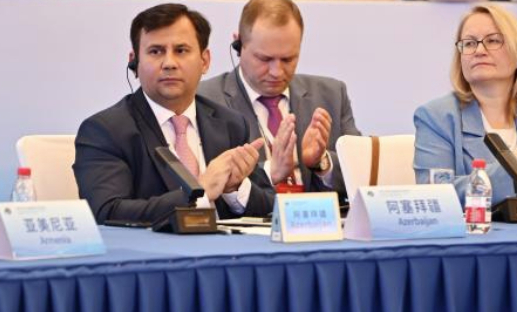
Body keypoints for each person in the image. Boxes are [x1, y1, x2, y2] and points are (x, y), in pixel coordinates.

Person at [74, 4, 274, 225]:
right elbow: (106, 212)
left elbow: (270, 208)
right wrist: (201, 190)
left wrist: (235, 188)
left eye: (181, 50)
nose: (169, 63)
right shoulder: (105, 131)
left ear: (204, 60)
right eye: (156, 51)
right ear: (134, 61)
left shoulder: (230, 124)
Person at [413, 4, 517, 207]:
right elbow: (433, 196)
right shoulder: (437, 117)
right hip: (475, 235)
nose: (479, 51)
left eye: (492, 40)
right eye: (470, 43)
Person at [197, 0, 360, 198]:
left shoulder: (331, 94)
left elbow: (362, 174)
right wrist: (270, 170)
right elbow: (206, 182)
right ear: (238, 44)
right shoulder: (205, 100)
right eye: (265, 59)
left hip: (319, 223)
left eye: (288, 59)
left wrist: (321, 162)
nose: (277, 72)